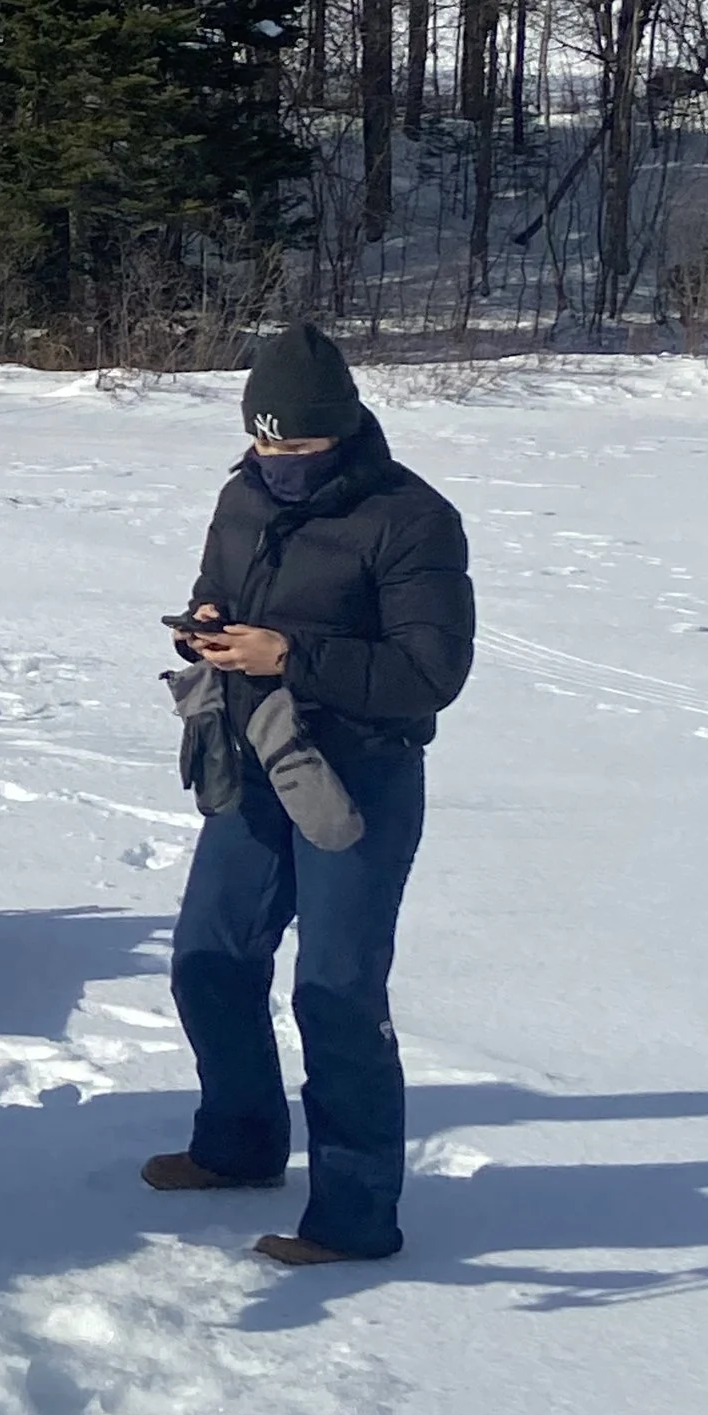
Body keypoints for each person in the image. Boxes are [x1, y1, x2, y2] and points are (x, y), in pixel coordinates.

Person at [148, 324, 474, 1267]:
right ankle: (241, 1144)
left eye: (296, 445)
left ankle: (356, 1216)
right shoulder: (240, 496)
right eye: (264, 442)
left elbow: (432, 670)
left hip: (360, 771)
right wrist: (202, 628)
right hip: (255, 757)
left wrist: (291, 654)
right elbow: (215, 587)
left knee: (335, 990)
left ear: (342, 429)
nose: (276, 461)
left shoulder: (412, 518)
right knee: (209, 959)